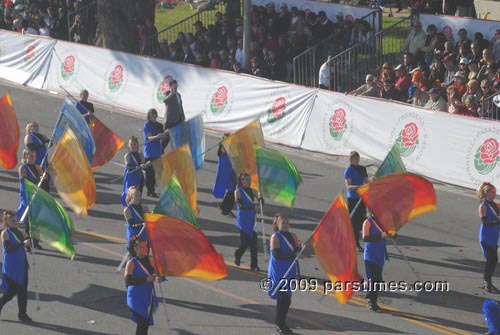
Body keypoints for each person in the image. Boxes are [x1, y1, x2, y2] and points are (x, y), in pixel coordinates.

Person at [268, 213, 301, 335]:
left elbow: (297, 250)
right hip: (279, 270)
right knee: (283, 299)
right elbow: (278, 255)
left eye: (287, 223)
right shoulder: (275, 236)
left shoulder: (293, 236)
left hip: (290, 269)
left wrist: (302, 248)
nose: (286, 225)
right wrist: (293, 255)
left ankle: (281, 323)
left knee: (287, 299)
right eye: (283, 223)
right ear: (278, 224)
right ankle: (280, 324)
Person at [125, 237, 161, 335]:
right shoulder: (131, 263)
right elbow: (128, 282)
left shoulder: (151, 261)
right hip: (135, 298)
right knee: (143, 322)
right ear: (135, 248)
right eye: (141, 247)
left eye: (146, 247)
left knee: (144, 325)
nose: (145, 249)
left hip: (147, 297)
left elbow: (158, 274)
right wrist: (146, 279)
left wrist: (158, 277)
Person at [0, 210, 32, 322]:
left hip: (22, 266)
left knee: (23, 292)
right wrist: (23, 244)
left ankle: (22, 314)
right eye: (12, 220)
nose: (15, 222)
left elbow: (28, 244)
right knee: (11, 292)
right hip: (11, 268)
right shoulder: (5, 233)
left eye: (16, 220)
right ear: (7, 221)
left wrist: (30, 241)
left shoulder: (21, 233)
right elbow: (8, 249)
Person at [17, 149, 45, 250]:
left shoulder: (38, 167)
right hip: (27, 196)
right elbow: (25, 180)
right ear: (25, 157)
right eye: (30, 156)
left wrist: (45, 176)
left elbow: (44, 180)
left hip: (36, 196)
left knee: (36, 220)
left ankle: (35, 242)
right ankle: (27, 242)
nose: (33, 158)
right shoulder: (22, 168)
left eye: (34, 156)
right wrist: (38, 180)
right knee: (29, 220)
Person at [234, 172, 262, 271]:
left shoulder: (253, 191)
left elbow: (261, 203)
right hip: (243, 220)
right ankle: (238, 253)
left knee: (254, 244)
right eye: (246, 180)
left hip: (252, 220)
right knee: (245, 243)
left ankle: (254, 265)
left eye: (250, 180)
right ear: (242, 181)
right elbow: (241, 206)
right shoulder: (238, 191)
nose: (249, 182)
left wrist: (260, 196)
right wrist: (253, 206)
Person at [362, 209, 388, 311]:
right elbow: (366, 238)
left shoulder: (383, 222)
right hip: (370, 255)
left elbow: (391, 234)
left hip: (380, 254)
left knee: (378, 280)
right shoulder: (367, 222)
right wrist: (380, 236)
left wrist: (392, 233)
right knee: (374, 279)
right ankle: (371, 301)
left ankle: (373, 299)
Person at [477, 182, 500, 293]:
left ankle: (488, 281)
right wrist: (497, 221)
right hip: (486, 236)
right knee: (493, 259)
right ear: (486, 193)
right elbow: (485, 222)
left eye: (495, 192)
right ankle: (487, 281)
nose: (494, 194)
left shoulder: (495, 205)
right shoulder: (483, 206)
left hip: (495, 236)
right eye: (492, 192)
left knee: (493, 260)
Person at [344, 151, 368, 252]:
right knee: (353, 223)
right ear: (351, 160)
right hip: (353, 199)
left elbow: (366, 182)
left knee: (362, 221)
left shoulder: (363, 169)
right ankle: (356, 244)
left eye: (358, 158)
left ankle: (367, 241)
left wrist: (369, 183)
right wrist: (359, 187)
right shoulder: (348, 170)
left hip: (361, 198)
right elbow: (348, 187)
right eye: (354, 159)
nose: (357, 160)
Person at [143, 108, 166, 198]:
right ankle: (150, 190)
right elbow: (149, 137)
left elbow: (163, 137)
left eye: (154, 114)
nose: (153, 116)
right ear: (149, 116)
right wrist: (157, 136)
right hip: (149, 152)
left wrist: (163, 135)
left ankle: (157, 189)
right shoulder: (147, 125)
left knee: (158, 173)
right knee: (150, 173)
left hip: (157, 151)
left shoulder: (159, 125)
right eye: (151, 114)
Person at [213, 134, 236, 217]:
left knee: (231, 190)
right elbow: (221, 151)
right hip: (225, 172)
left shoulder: (229, 149)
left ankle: (224, 207)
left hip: (230, 171)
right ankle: (226, 209)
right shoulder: (223, 149)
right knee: (232, 191)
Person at [121, 136, 149, 206]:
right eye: (131, 144)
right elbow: (129, 167)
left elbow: (144, 167)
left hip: (139, 178)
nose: (133, 146)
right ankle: (129, 212)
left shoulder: (141, 155)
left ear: (137, 145)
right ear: (129, 145)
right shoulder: (127, 155)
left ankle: (137, 211)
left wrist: (146, 165)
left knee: (138, 197)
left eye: (134, 144)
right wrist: (138, 166)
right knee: (130, 196)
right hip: (130, 178)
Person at [124, 187, 148, 255]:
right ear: (131, 197)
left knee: (144, 259)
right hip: (134, 239)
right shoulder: (127, 210)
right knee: (134, 260)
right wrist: (143, 224)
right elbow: (133, 225)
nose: (138, 197)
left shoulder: (145, 208)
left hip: (143, 237)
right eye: (136, 195)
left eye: (140, 195)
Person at [163, 80, 185, 145]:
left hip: (178, 120)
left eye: (176, 85)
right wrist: (171, 94)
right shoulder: (167, 93)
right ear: (170, 86)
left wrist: (183, 118)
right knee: (166, 138)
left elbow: (180, 107)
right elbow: (165, 101)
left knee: (178, 138)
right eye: (174, 86)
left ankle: (176, 152)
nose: (175, 87)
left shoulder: (179, 95)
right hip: (170, 120)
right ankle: (161, 150)